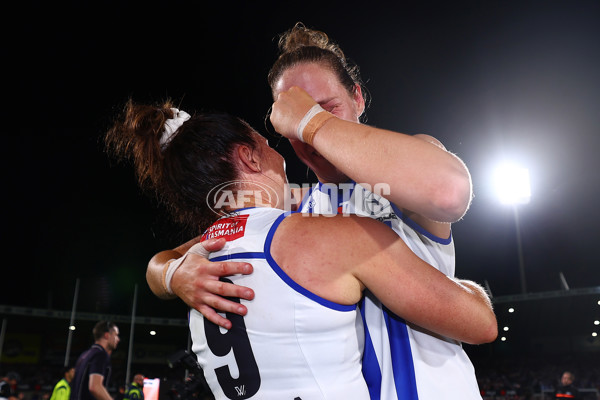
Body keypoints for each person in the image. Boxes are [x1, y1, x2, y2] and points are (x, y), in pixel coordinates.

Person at [146, 22, 490, 399]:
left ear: (358, 98)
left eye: (326, 109)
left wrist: (311, 122)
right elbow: (168, 259)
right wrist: (174, 274)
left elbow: (448, 193)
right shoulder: (298, 208)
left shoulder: (406, 170)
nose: (307, 135)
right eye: (293, 126)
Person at [71, 321, 120, 400]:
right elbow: (95, 387)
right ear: (107, 335)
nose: (118, 339)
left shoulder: (85, 355)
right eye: (116, 335)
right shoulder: (100, 355)